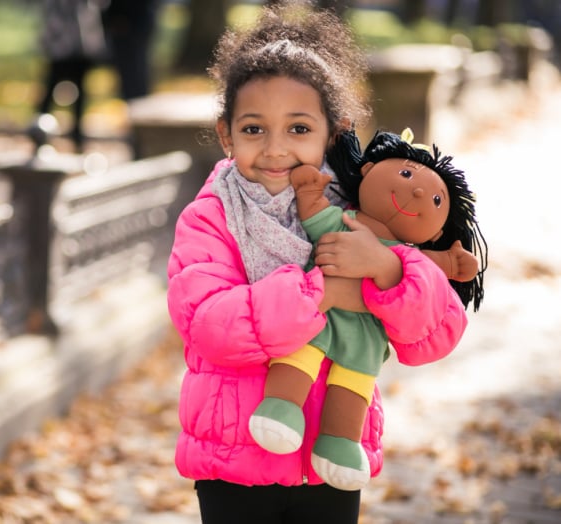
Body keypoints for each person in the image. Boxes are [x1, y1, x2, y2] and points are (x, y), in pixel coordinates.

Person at [165, 3, 469, 523]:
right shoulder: (210, 217)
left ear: (334, 132)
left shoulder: (360, 210)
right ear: (226, 134)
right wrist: (327, 290)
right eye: (255, 129)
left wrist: (388, 270)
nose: (276, 149)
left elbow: (434, 333)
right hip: (235, 457)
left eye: (299, 129)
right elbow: (212, 323)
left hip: (331, 460)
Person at [249, 128, 487, 491]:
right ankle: (280, 408)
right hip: (320, 315)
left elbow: (422, 271)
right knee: (300, 354)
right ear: (370, 168)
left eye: (437, 199)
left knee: (354, 382)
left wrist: (451, 264)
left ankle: (340, 444)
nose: (420, 192)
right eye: (406, 174)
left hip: (366, 338)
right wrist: (309, 192)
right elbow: (317, 217)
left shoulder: (408, 258)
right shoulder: (347, 221)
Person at [35, 0, 108, 148]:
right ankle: (38, 131)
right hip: (61, 43)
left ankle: (77, 135)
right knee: (50, 91)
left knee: (79, 93)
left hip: (80, 44)